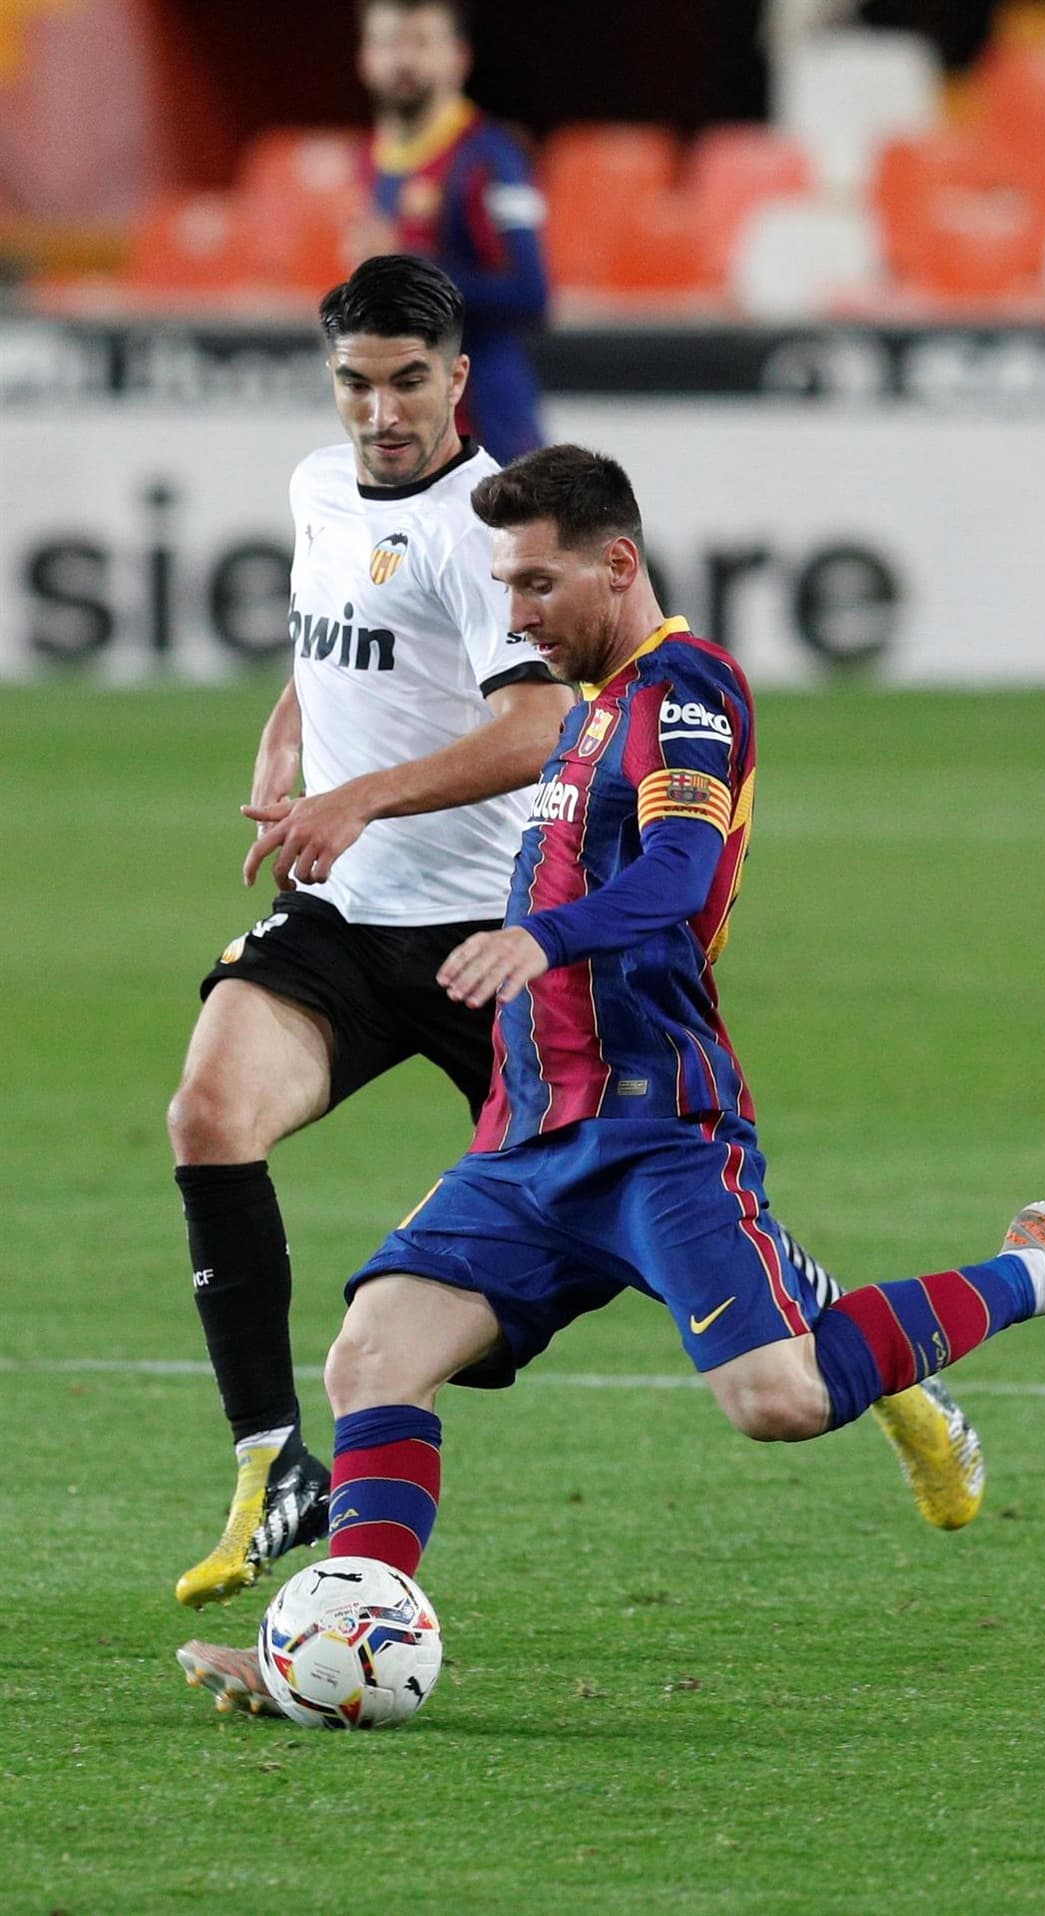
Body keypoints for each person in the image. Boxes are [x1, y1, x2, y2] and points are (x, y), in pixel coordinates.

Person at [178, 445, 1045, 1715]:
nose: (516, 615)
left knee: (775, 1397)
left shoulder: (685, 691)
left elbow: (674, 871)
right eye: (503, 586)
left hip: (655, 1126)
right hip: (529, 1135)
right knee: (372, 1356)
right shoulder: (587, 708)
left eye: (538, 583)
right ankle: (326, 1651)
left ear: (618, 563)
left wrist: (538, 938)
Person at [169, 258, 986, 1617]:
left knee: (650, 1199)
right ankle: (277, 1470)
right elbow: (327, 639)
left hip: (494, 933)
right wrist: (292, 736)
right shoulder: (320, 490)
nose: (379, 412)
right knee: (210, 1112)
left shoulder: (483, 533)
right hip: (345, 915)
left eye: (408, 381)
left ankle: (875, 1351)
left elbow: (540, 727)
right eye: (356, 382)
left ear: (456, 381)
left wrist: (363, 796)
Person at [353, 0, 548, 464]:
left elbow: (532, 294)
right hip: (403, 432)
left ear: (458, 58)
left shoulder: (494, 158)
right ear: (364, 58)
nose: (403, 60)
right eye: (387, 43)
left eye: (420, 43)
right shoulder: (367, 161)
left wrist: (408, 269)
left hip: (488, 427)